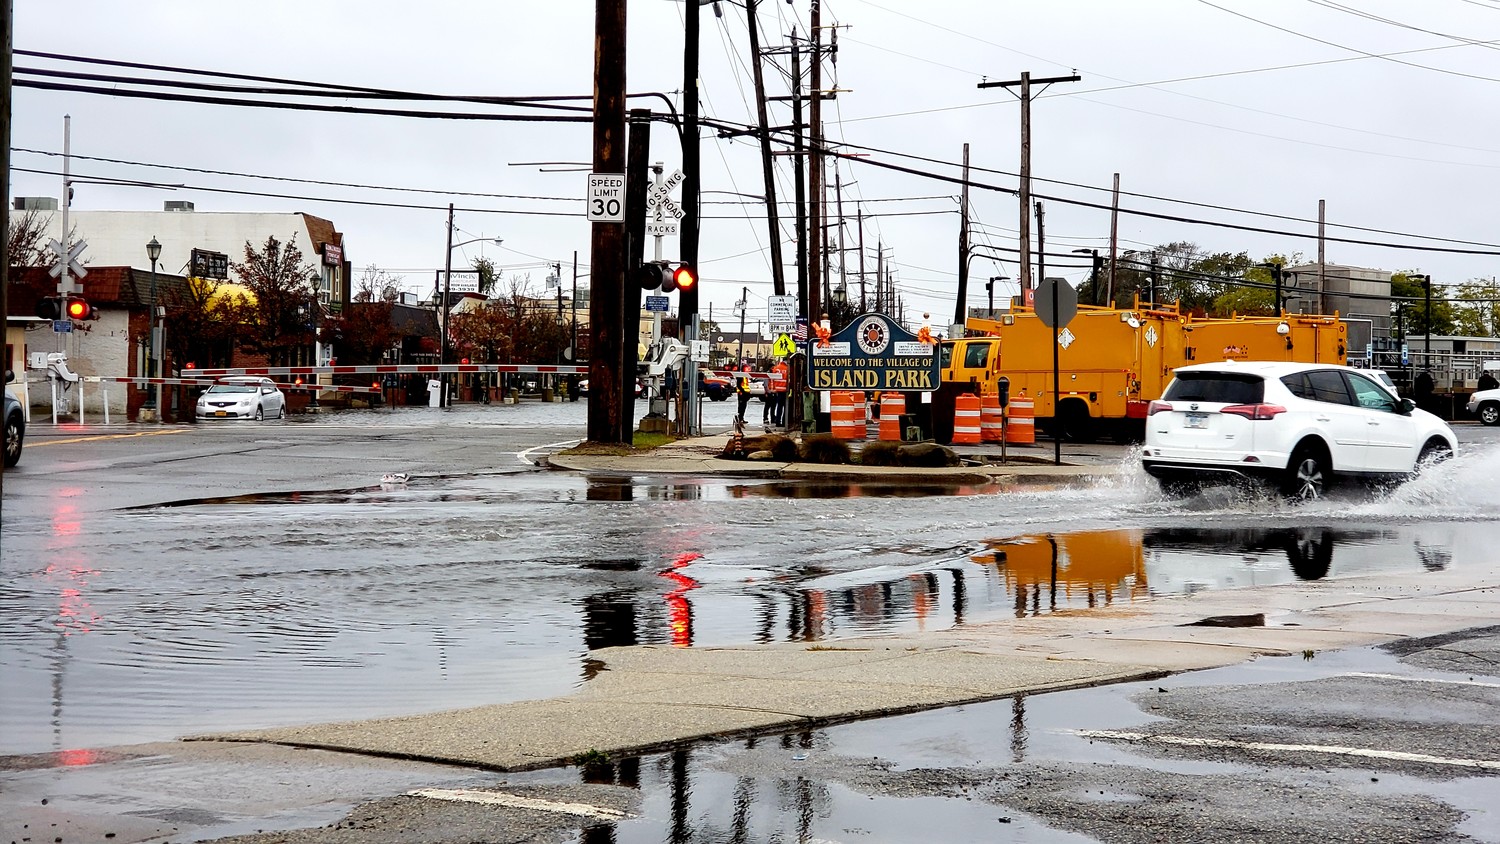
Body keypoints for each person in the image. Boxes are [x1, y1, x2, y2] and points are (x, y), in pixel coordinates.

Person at [769, 358, 790, 427]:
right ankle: (784, 422)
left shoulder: (776, 368)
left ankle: (778, 421)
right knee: (786, 407)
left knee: (779, 407)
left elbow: (772, 379)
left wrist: (772, 389)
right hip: (785, 390)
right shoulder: (787, 368)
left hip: (777, 390)